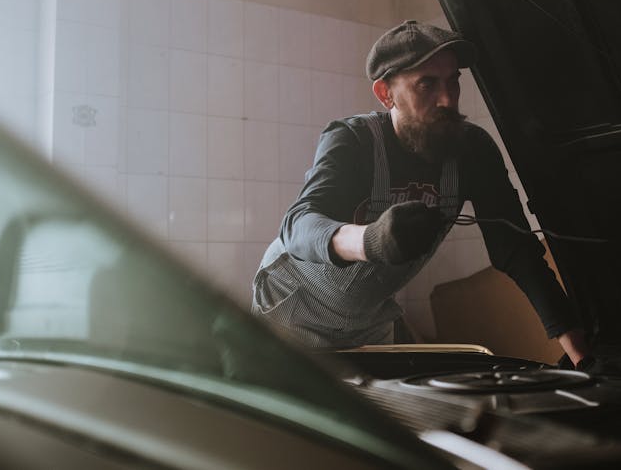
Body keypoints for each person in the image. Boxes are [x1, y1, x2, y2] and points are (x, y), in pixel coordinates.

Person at [251, 20, 590, 366]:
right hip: (294, 308)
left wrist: (581, 355)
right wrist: (371, 240)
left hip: (366, 321)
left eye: (453, 81)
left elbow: (517, 250)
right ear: (386, 94)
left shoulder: (473, 151)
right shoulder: (354, 139)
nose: (447, 99)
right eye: (426, 84)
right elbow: (297, 225)